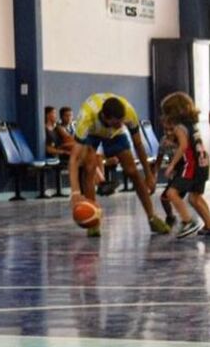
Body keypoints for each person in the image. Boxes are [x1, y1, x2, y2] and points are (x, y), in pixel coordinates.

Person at [69, 93, 171, 237]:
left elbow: (138, 144)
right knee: (89, 168)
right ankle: (94, 222)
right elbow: (73, 159)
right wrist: (75, 192)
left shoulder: (128, 112)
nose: (121, 124)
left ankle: (152, 217)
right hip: (93, 133)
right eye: (117, 122)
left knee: (133, 171)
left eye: (122, 122)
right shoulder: (86, 118)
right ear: (105, 117)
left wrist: (149, 175)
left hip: (115, 135)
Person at [159, 92, 210, 238]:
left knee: (171, 193)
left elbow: (183, 146)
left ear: (173, 112)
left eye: (166, 113)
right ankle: (208, 224)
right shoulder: (192, 125)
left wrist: (171, 165)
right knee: (195, 198)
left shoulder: (179, 128)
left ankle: (188, 221)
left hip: (191, 165)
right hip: (203, 164)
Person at [152, 116, 179, 229]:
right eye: (165, 130)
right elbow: (158, 161)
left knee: (194, 199)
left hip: (188, 173)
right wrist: (154, 175)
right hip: (175, 176)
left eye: (171, 129)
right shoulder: (164, 141)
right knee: (164, 198)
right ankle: (170, 217)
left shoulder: (183, 139)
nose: (168, 132)